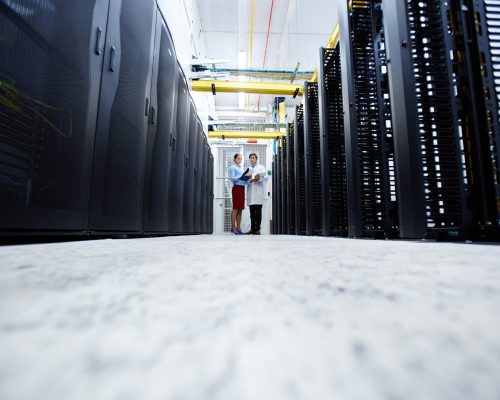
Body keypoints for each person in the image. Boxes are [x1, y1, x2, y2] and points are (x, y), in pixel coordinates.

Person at [246, 153, 269, 235]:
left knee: (258, 213)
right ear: (249, 159)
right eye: (251, 158)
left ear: (256, 159)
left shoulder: (261, 167)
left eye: (253, 158)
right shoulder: (248, 169)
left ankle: (258, 229)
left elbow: (266, 177)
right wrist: (248, 180)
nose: (252, 159)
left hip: (258, 193)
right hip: (250, 192)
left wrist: (258, 178)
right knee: (252, 213)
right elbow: (246, 180)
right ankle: (252, 229)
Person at [228, 153, 248, 235]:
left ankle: (238, 228)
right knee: (235, 208)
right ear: (235, 159)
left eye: (241, 158)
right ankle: (233, 228)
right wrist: (241, 176)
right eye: (238, 158)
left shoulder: (241, 169)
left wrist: (248, 178)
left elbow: (244, 181)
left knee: (240, 209)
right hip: (236, 188)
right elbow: (233, 179)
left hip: (242, 188)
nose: (240, 160)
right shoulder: (232, 167)